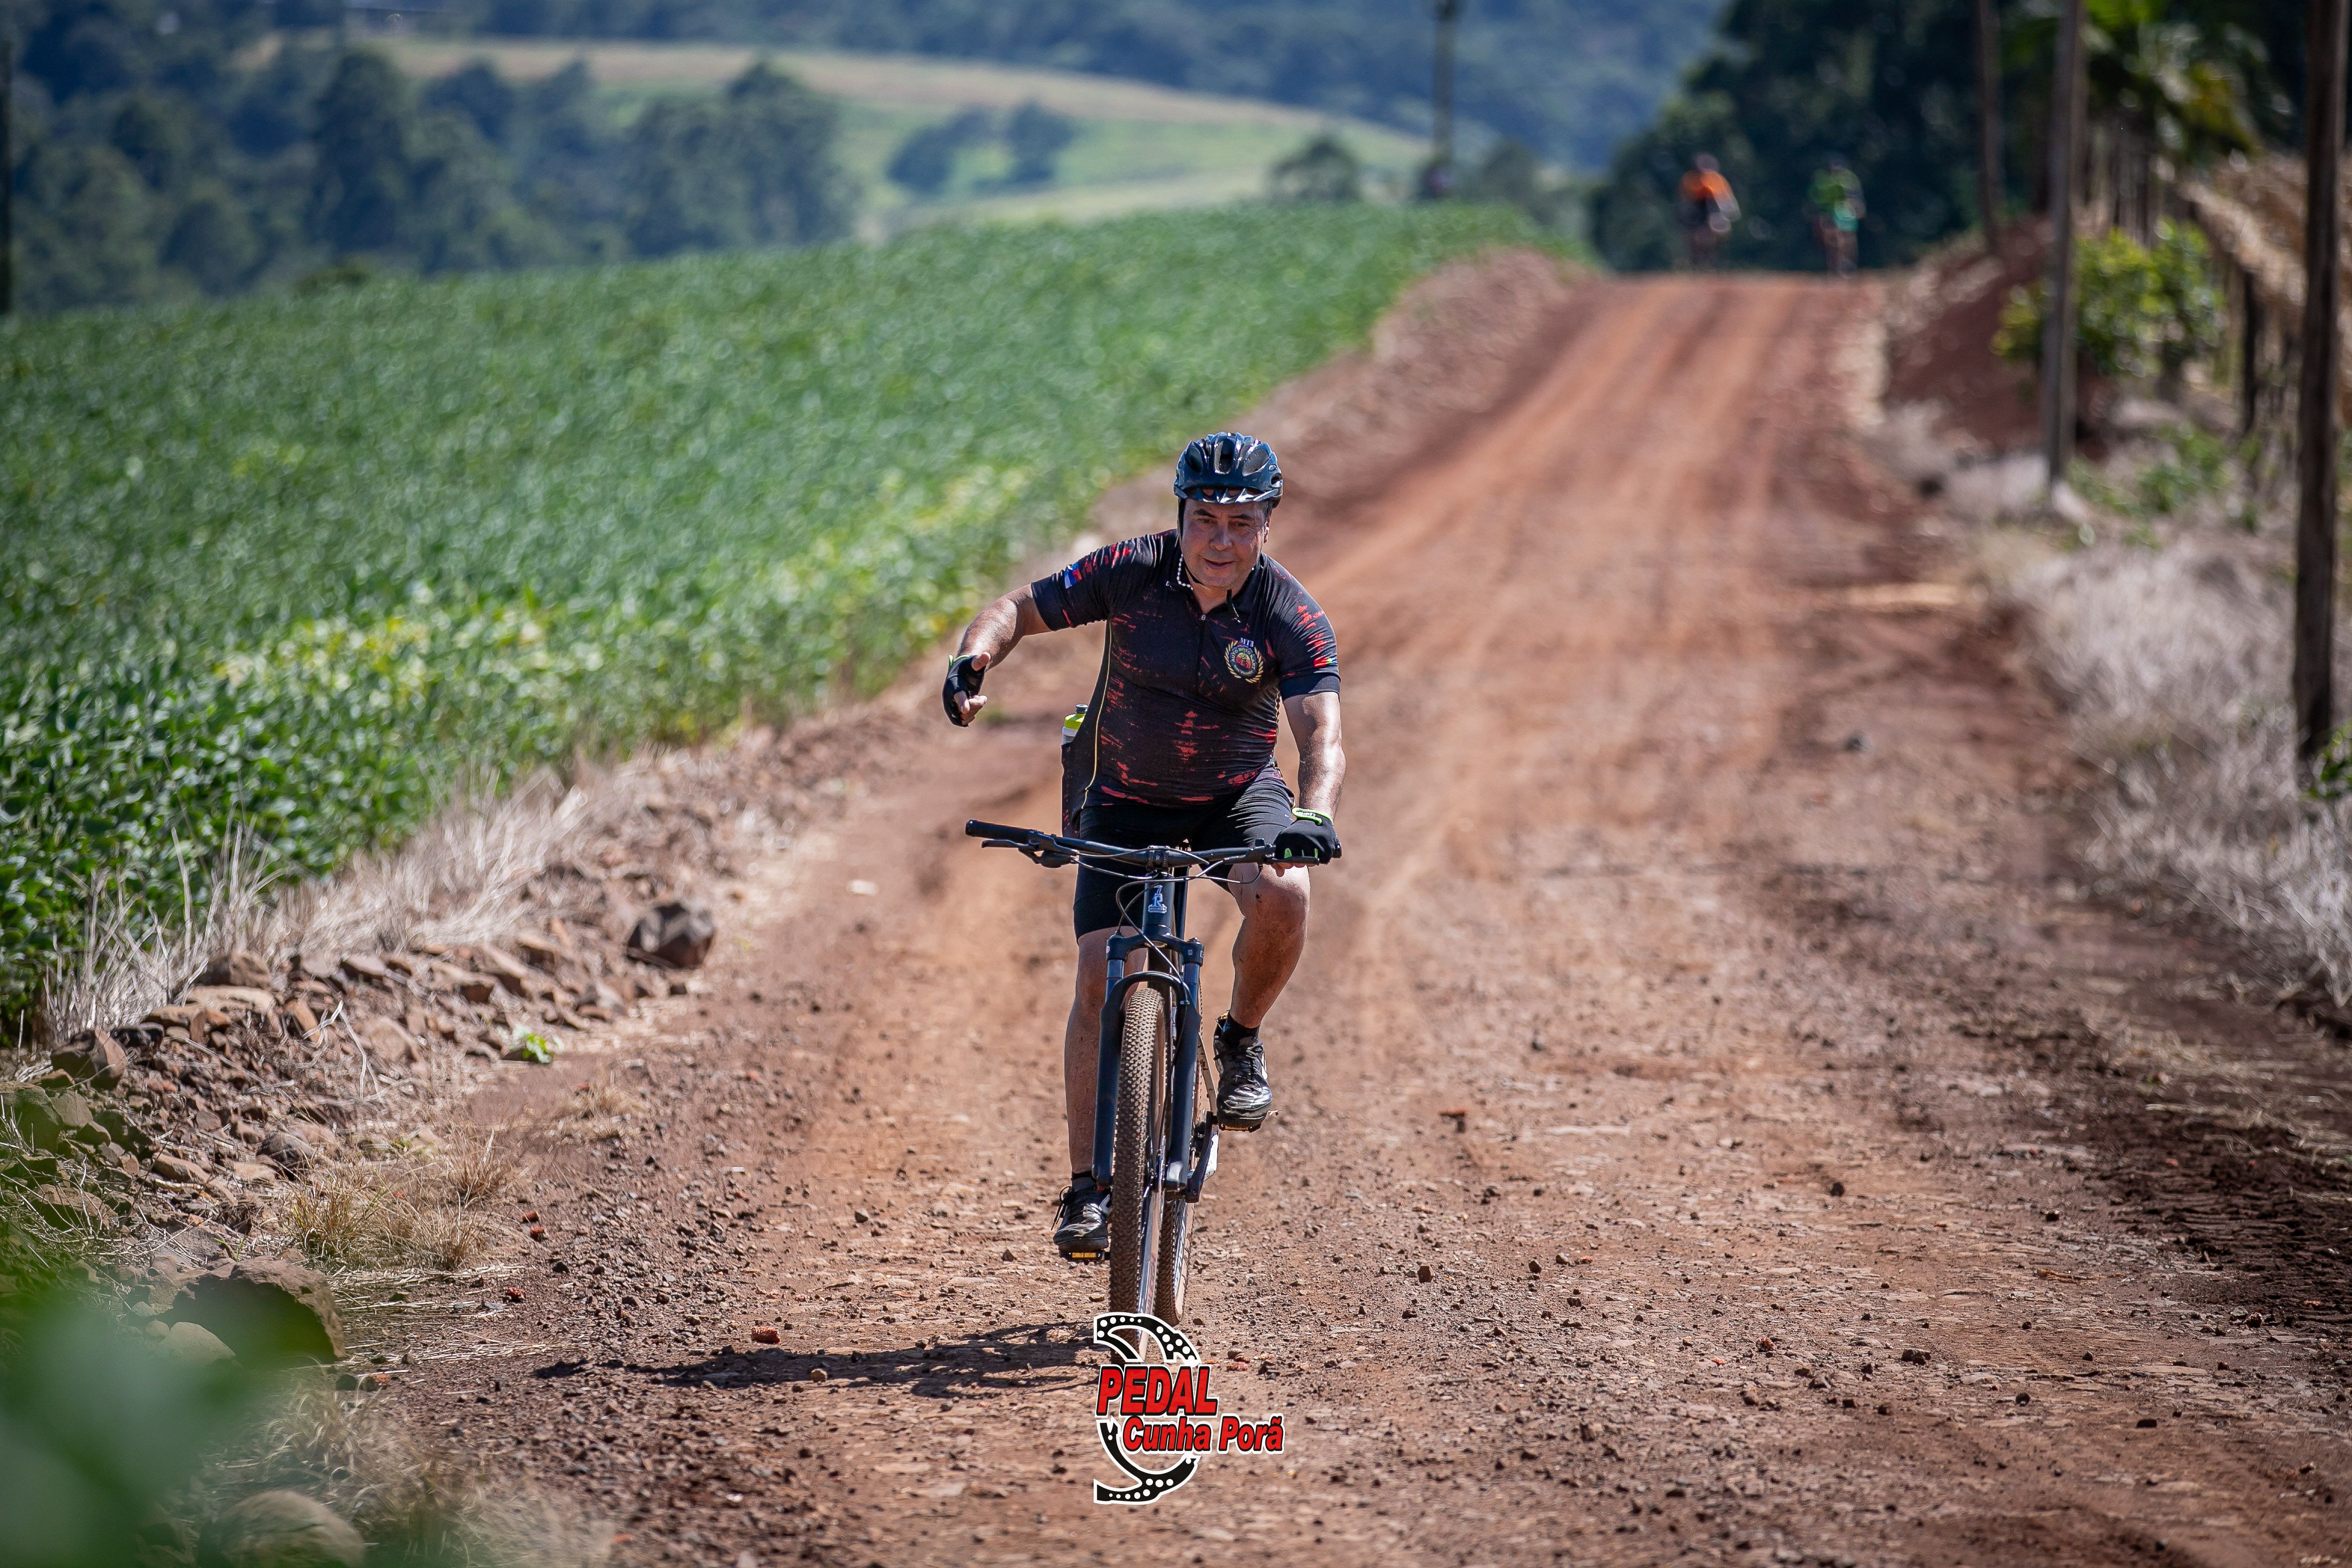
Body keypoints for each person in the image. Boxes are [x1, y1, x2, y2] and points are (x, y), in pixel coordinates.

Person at [942, 433, 1346, 1259]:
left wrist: (1314, 814)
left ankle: (1239, 1039)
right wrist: (973, 659)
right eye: (1206, 521)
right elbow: (1018, 608)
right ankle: (1088, 1190)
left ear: (1267, 525)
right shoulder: (1131, 571)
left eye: (1241, 524)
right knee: (1100, 970)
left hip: (1236, 796)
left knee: (1286, 894)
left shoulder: (1289, 613)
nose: (1221, 542)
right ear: (1181, 516)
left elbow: (1322, 734)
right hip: (1123, 796)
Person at [1677, 153, 1738, 270]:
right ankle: (1696, 259)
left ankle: (1708, 259)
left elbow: (1725, 198)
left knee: (1716, 233)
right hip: (1696, 209)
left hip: (1713, 208)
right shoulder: (1690, 180)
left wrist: (1728, 212)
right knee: (1693, 235)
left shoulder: (1716, 180)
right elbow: (1685, 199)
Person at [1809, 156, 1865, 277]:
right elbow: (1816, 199)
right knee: (1832, 241)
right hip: (1829, 214)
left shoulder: (1849, 179)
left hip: (1846, 214)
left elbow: (1855, 196)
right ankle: (1835, 266)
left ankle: (1848, 265)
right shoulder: (1822, 180)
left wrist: (1857, 208)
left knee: (1848, 240)